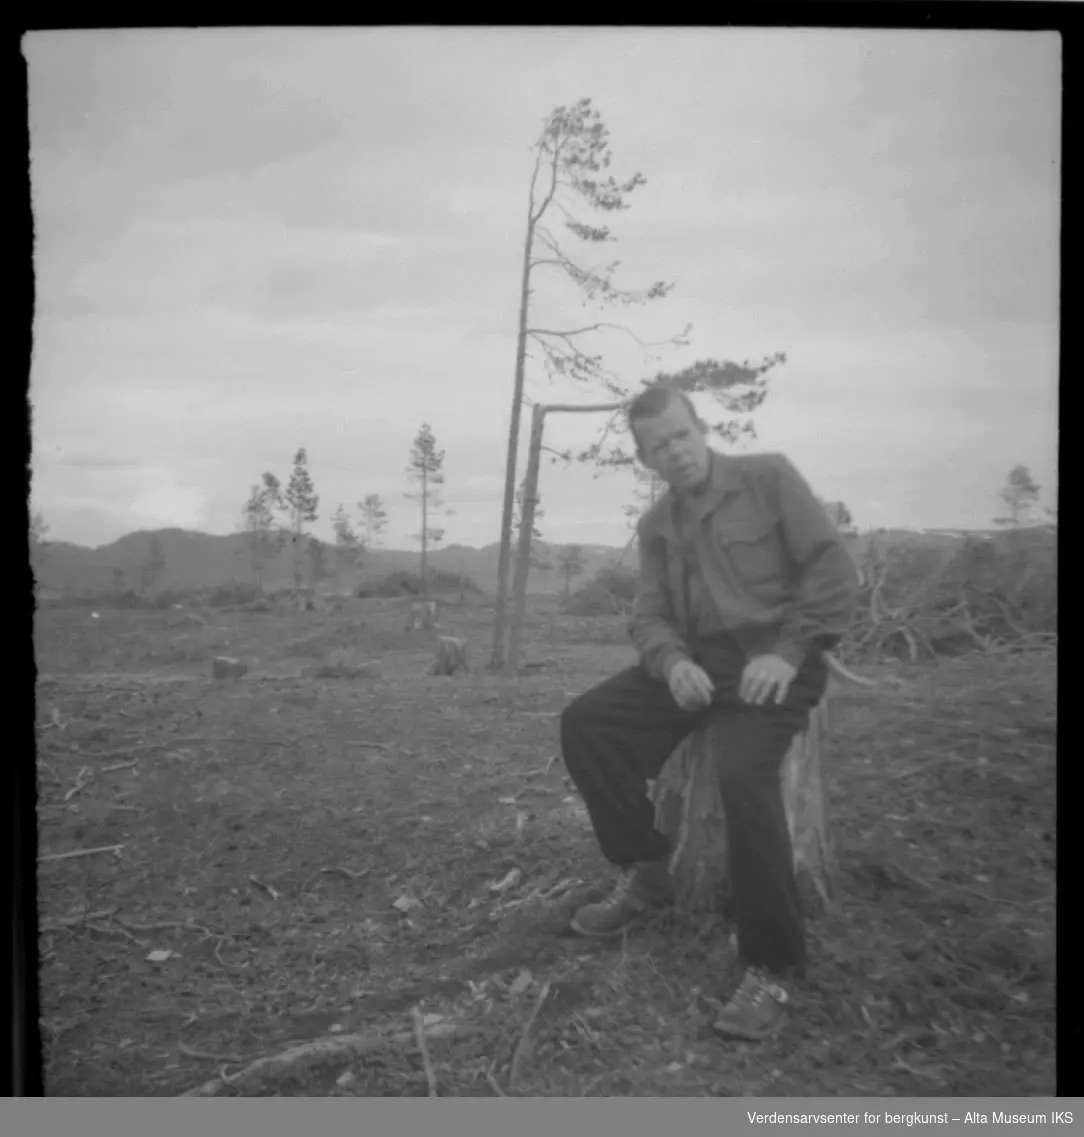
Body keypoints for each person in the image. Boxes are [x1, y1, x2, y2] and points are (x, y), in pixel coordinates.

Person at [559, 382, 860, 1041]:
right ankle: (646, 873)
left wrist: (788, 651)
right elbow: (651, 613)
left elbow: (832, 569)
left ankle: (773, 965)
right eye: (658, 445)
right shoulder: (657, 525)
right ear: (646, 458)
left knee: (744, 777)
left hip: (776, 663)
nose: (675, 450)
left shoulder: (767, 477)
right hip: (698, 667)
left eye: (681, 434)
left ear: (700, 428)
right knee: (587, 724)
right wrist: (673, 664)